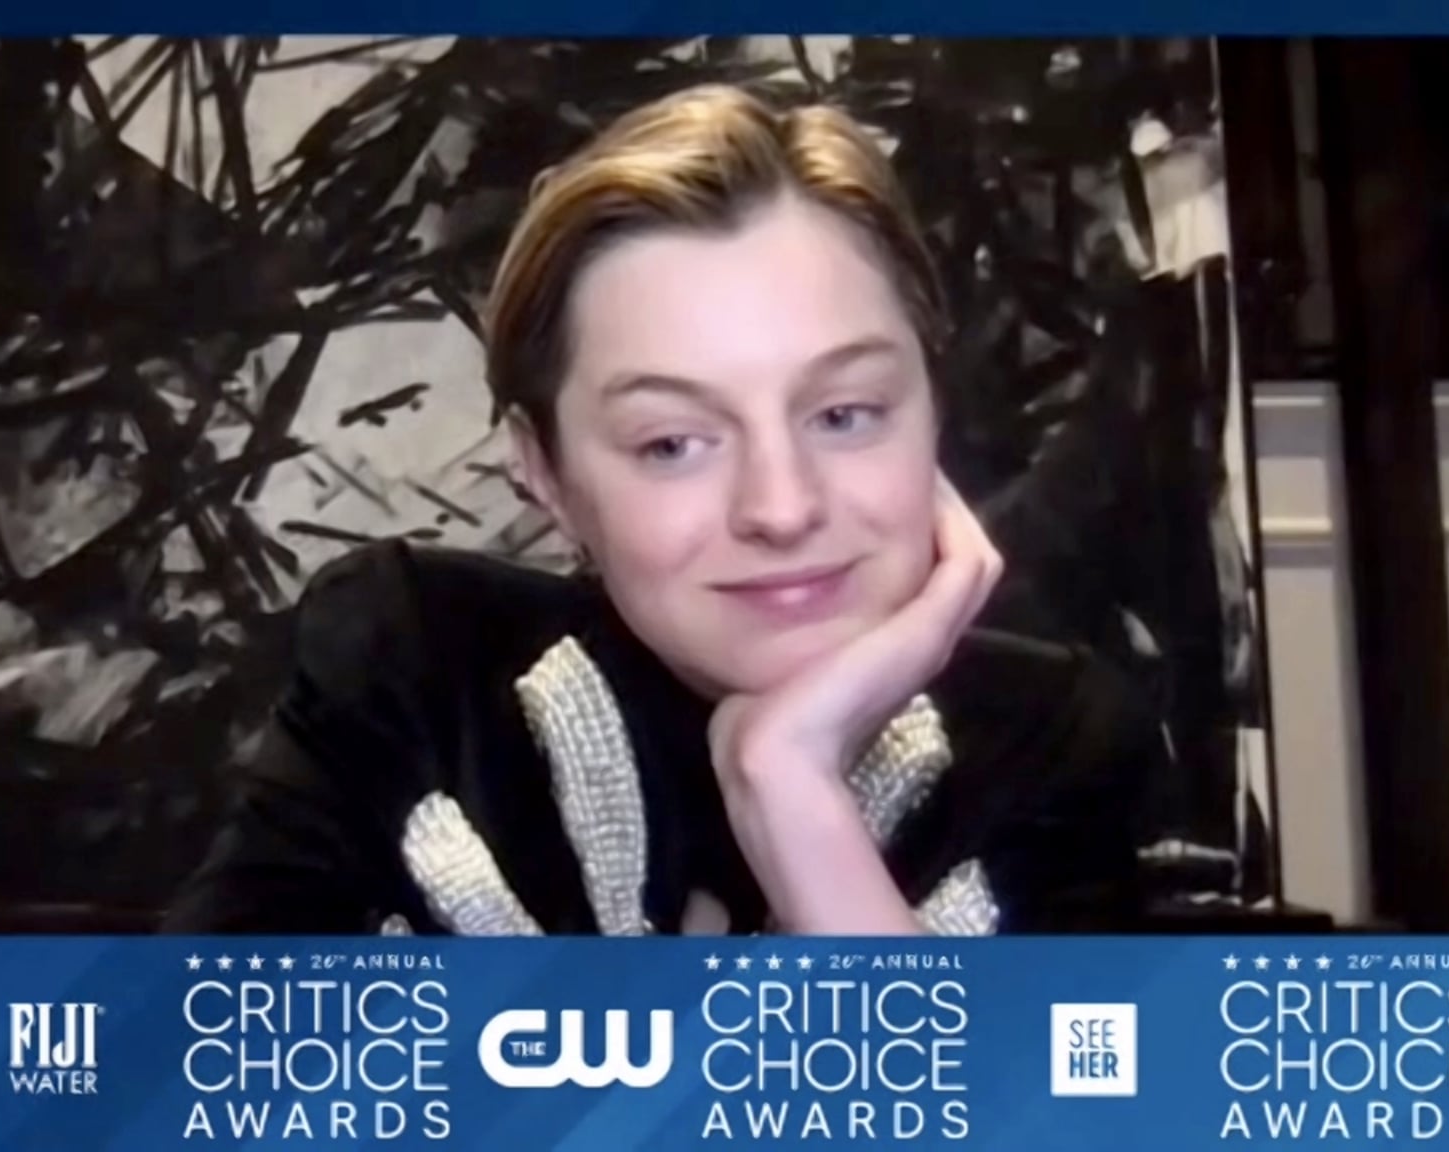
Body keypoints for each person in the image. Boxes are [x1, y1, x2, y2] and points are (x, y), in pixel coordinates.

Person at [164, 83, 1161, 937]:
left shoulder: (1050, 745)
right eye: (672, 443)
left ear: (930, 411)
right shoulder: (407, 675)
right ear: (544, 472)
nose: (779, 507)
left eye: (844, 414)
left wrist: (796, 803)